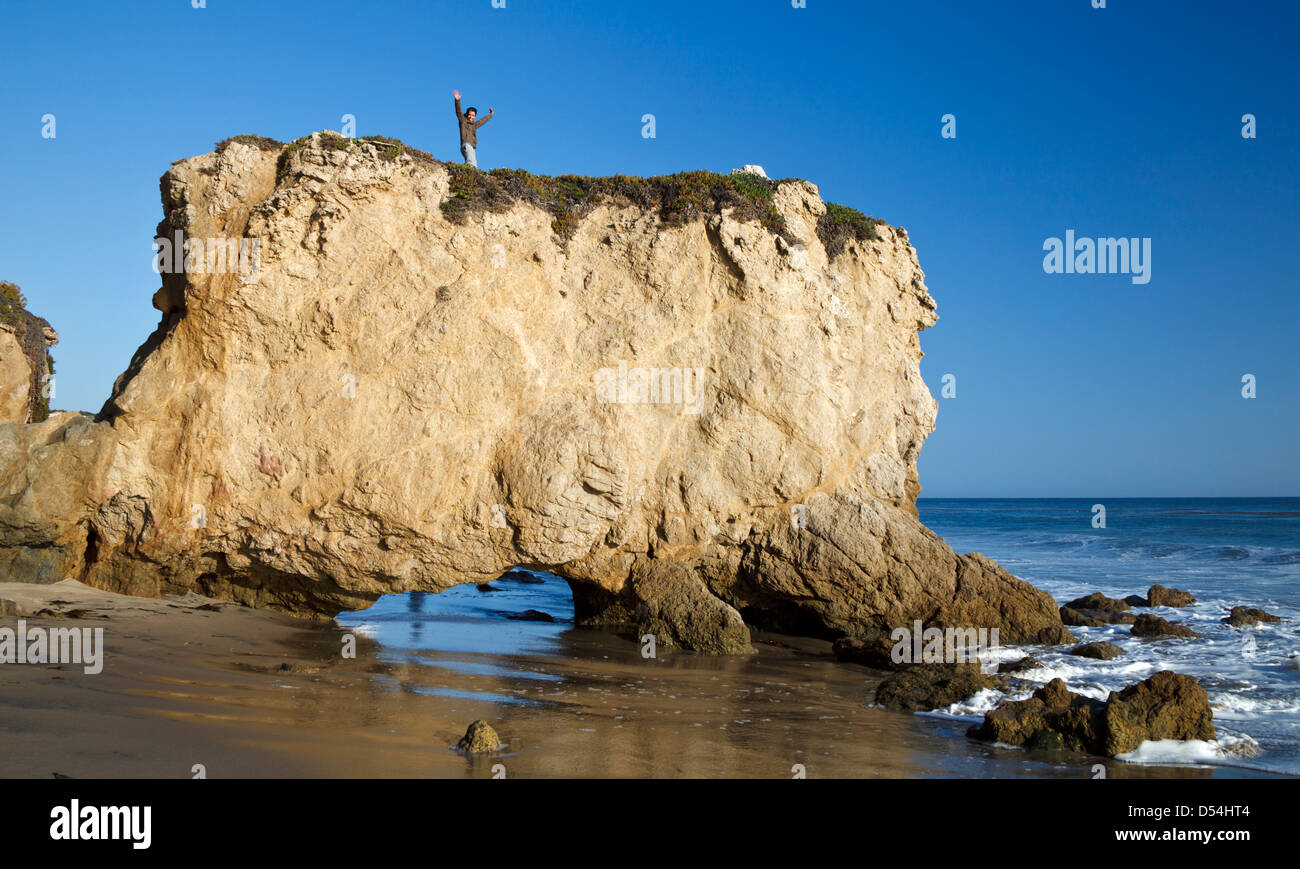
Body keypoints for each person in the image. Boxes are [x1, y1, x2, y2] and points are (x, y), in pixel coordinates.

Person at [453, 90, 493, 168]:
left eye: (473, 115)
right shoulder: (463, 120)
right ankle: (469, 174)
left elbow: (482, 121)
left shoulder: (474, 125)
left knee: (472, 162)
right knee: (472, 164)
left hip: (471, 146)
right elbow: (458, 111)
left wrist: (490, 115)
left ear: (475, 116)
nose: (471, 117)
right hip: (466, 145)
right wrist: (457, 100)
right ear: (467, 115)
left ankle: (466, 173)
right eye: (469, 115)